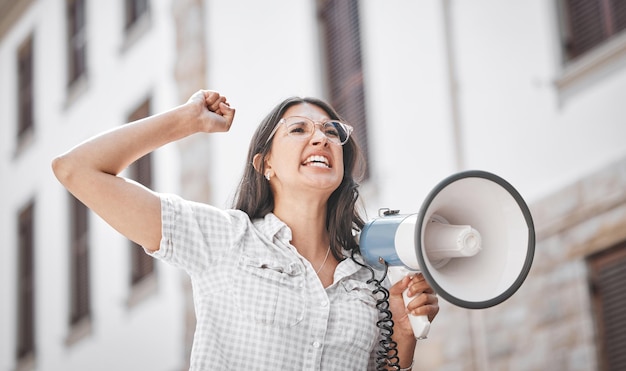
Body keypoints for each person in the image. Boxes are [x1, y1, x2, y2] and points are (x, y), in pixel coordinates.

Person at [52, 90, 439, 370]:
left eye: (331, 131)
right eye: (299, 129)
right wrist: (186, 120)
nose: (322, 137)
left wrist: (402, 338)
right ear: (264, 164)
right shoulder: (223, 239)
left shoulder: (370, 278)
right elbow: (75, 169)